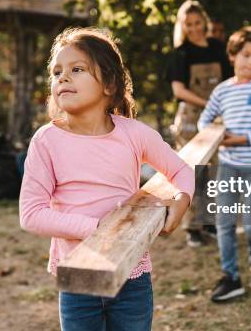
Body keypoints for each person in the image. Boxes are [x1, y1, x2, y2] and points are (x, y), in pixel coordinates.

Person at [19, 27, 194, 331]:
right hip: (78, 279)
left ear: (110, 83)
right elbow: (31, 215)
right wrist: (97, 229)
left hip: (132, 276)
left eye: (77, 69)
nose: (62, 77)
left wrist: (182, 200)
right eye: (56, 71)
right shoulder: (46, 141)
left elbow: (182, 171)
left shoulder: (133, 134)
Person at [198, 26, 251, 303]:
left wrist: (241, 139)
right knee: (223, 223)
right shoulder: (222, 91)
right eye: (246, 55)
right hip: (228, 166)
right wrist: (216, 136)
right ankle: (230, 277)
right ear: (233, 55)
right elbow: (204, 119)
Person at [166, 0, 233, 247]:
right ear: (182, 26)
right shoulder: (180, 53)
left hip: (215, 118)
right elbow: (179, 90)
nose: (194, 29)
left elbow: (229, 82)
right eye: (188, 24)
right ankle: (191, 227)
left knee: (212, 172)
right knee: (193, 172)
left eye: (197, 23)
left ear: (204, 22)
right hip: (190, 120)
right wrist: (208, 102)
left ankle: (209, 223)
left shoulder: (217, 48)